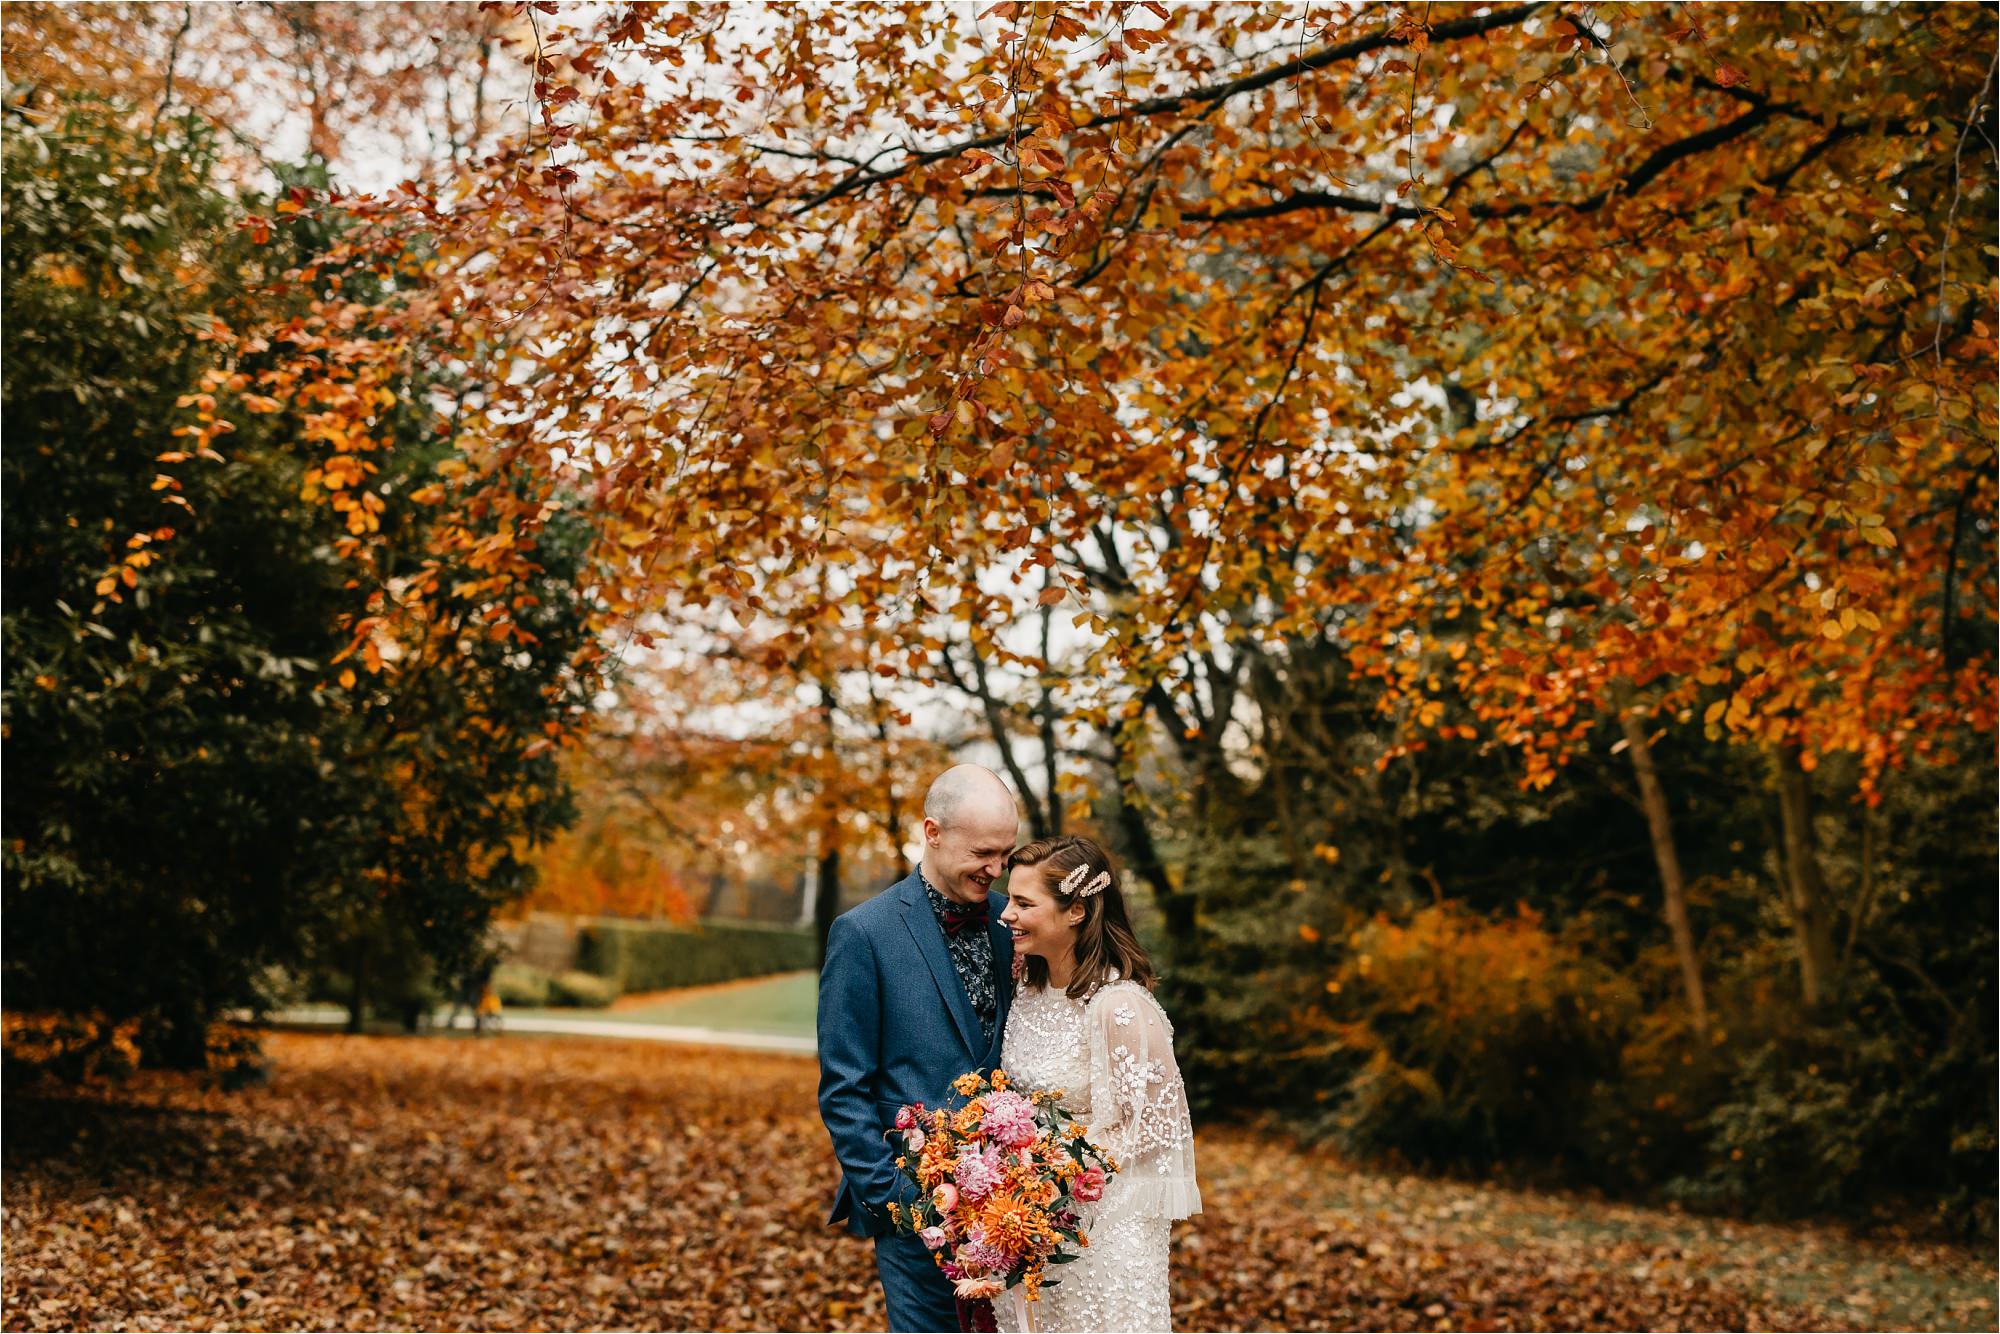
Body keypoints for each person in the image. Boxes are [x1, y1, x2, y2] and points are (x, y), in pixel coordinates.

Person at [818, 765, 1022, 1333]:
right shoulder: (863, 934)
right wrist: (896, 1201)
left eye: (1005, 853)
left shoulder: (1016, 924)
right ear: (932, 832)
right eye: (983, 851)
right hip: (917, 1210)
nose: (995, 868)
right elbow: (843, 1088)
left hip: (1017, 1210)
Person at [993, 834, 1200, 1333]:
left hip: (1102, 1238)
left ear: (1076, 911)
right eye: (1009, 900)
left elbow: (1153, 1126)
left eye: (1023, 903)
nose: (1006, 914)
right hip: (1032, 1227)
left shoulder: (1120, 1006)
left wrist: (1050, 1169)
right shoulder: (1028, 986)